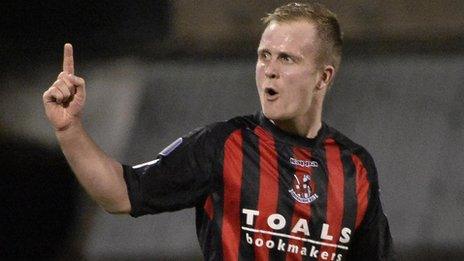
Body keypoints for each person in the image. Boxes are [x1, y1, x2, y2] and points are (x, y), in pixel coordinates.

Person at [43, 2, 394, 260]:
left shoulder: (355, 168)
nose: (269, 70)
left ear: (323, 77)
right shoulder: (223, 145)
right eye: (264, 56)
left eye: (287, 59)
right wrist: (69, 128)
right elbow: (120, 193)